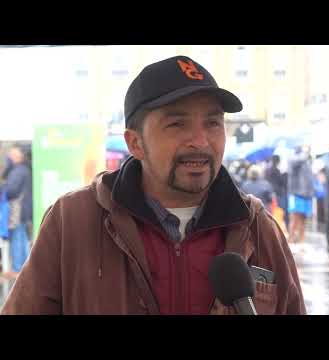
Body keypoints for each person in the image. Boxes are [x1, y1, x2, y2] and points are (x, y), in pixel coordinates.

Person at [1, 56, 306, 315]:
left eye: (213, 123)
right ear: (135, 143)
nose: (200, 141)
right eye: (177, 124)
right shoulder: (71, 221)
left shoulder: (257, 227)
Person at [1, 145, 33, 278]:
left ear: (18, 156)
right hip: (24, 209)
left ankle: (18, 268)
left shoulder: (18, 171)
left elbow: (12, 190)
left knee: (17, 237)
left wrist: (3, 188)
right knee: (22, 237)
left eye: (12, 155)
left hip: (18, 210)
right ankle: (24, 267)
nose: (9, 157)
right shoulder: (24, 169)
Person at [287, 145, 315, 245]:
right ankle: (290, 242)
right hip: (296, 194)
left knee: (303, 220)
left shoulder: (306, 160)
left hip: (306, 195)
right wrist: (305, 152)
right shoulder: (293, 158)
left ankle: (302, 243)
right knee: (294, 219)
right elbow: (296, 161)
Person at [265, 155, 289, 228]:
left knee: (272, 212)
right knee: (280, 211)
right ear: (278, 161)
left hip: (270, 193)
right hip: (278, 194)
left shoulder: (267, 170)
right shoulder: (277, 171)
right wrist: (285, 174)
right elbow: (282, 182)